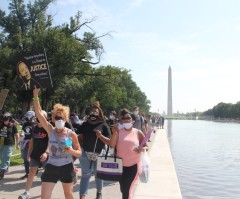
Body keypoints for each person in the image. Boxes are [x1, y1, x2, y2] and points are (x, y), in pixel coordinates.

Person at [33, 86, 82, 199]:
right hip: (52, 167)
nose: (59, 120)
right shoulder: (50, 130)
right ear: (53, 119)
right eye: (56, 118)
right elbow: (39, 113)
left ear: (65, 119)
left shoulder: (71, 134)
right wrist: (35, 95)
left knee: (68, 195)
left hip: (67, 166)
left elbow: (79, 153)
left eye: (61, 118)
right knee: (44, 196)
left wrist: (71, 150)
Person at [106, 108, 148, 199]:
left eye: (128, 118)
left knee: (127, 190)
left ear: (132, 121)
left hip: (134, 166)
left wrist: (142, 148)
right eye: (124, 119)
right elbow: (112, 145)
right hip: (120, 165)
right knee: (123, 189)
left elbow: (146, 146)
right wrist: (114, 134)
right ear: (122, 121)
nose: (126, 120)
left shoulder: (138, 132)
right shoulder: (118, 132)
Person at [78, 101, 111, 199]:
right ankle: (82, 195)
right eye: (92, 111)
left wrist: (100, 136)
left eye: (96, 111)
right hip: (85, 152)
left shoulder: (104, 125)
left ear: (100, 113)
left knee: (98, 174)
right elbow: (77, 136)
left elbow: (109, 141)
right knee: (85, 174)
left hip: (99, 153)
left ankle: (99, 192)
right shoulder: (85, 124)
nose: (93, 113)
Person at [18, 110, 49, 199]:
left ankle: (46, 193)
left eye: (41, 116)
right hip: (35, 155)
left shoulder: (48, 128)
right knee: (31, 172)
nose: (39, 118)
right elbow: (32, 141)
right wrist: (28, 153)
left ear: (45, 118)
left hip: (45, 156)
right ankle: (26, 193)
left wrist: (46, 153)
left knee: (47, 174)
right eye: (38, 116)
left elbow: (50, 142)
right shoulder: (34, 128)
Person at [0, 112, 19, 179]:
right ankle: (5, 168)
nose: (5, 118)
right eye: (4, 117)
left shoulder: (12, 125)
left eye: (7, 117)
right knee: (2, 157)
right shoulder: (0, 124)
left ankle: (2, 170)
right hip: (1, 143)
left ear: (9, 118)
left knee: (6, 157)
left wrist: (17, 144)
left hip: (9, 143)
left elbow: (17, 134)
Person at [19, 111, 36, 180]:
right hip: (26, 143)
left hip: (34, 143)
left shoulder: (36, 124)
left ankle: (34, 172)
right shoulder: (25, 124)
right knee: (25, 158)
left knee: (34, 158)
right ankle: (27, 173)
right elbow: (23, 131)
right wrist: (22, 134)